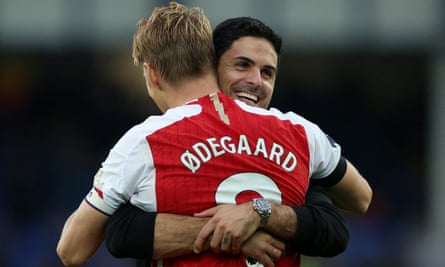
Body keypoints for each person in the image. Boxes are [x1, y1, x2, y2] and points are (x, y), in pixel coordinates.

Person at [56, 3, 370, 267]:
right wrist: (252, 224)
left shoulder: (144, 142)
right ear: (211, 62)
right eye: (243, 66)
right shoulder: (300, 133)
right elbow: (361, 198)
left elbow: (71, 251)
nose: (255, 81)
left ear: (150, 73)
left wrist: (252, 216)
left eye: (266, 72)